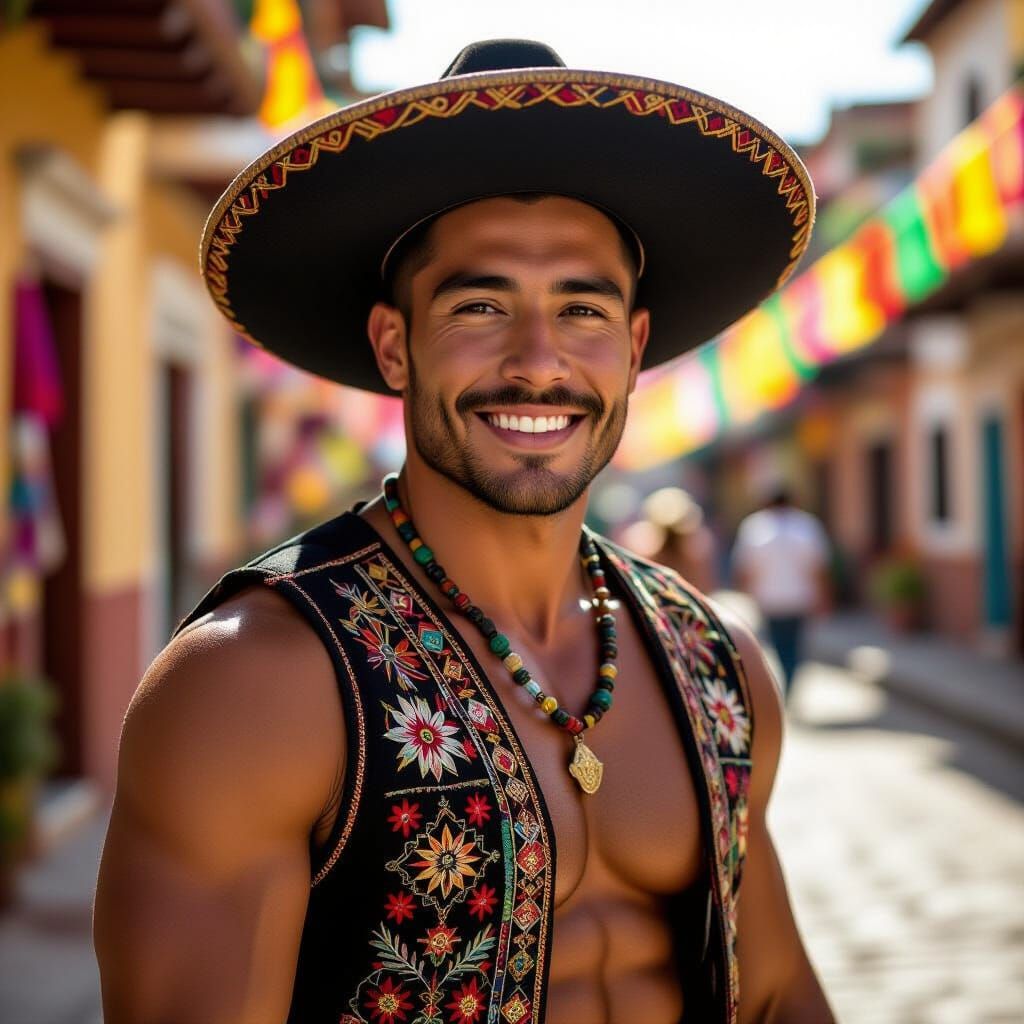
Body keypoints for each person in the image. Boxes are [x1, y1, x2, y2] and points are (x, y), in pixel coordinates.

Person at [93, 40, 834, 1024]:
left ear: (633, 349)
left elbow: (775, 993)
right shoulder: (253, 687)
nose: (538, 362)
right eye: (480, 306)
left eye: (582, 309)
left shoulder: (719, 664)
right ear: (395, 345)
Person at [732, 488, 832, 698]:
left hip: (768, 598)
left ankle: (784, 686)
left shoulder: (755, 526)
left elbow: (744, 567)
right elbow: (819, 566)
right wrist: (823, 596)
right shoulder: (806, 525)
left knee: (779, 647)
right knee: (793, 647)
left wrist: (746, 595)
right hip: (799, 597)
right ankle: (788, 685)